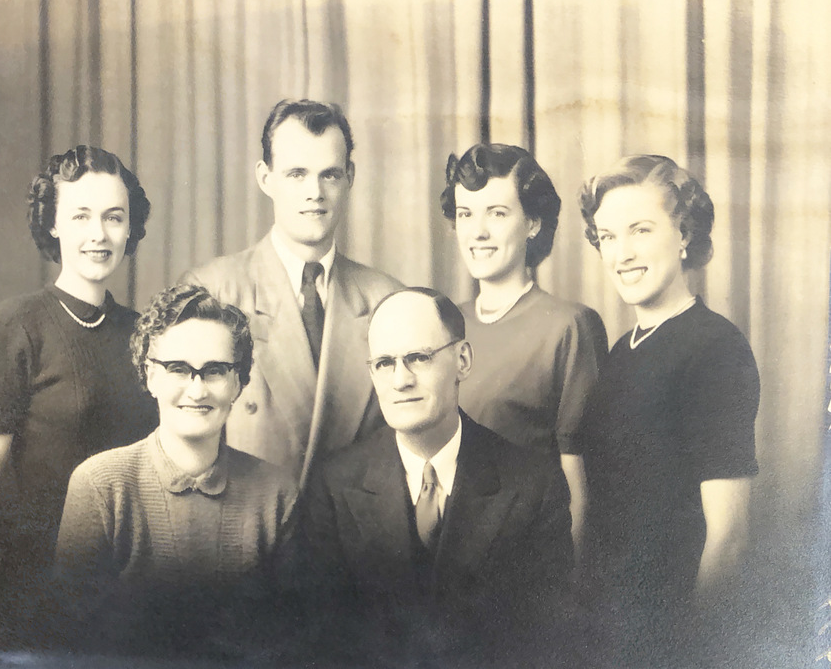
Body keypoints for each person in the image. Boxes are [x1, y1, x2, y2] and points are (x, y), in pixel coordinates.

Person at [303, 288, 574, 667]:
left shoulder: (533, 484)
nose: (401, 380)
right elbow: (321, 642)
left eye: (418, 357)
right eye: (384, 363)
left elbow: (548, 642)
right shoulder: (334, 486)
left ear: (462, 360)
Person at [0, 146, 158, 648]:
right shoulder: (16, 324)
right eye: (81, 216)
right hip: (38, 587)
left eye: (114, 217)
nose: (99, 234)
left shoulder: (145, 334)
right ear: (53, 224)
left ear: (130, 228)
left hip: (133, 584)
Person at [577, 155, 760, 666]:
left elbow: (729, 539)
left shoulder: (715, 347)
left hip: (668, 638)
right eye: (608, 236)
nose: (622, 254)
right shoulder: (622, 349)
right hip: (606, 627)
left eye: (640, 230)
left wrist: (682, 651)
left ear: (684, 235)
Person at [54, 285, 299, 659]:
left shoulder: (277, 493)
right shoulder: (100, 485)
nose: (197, 391)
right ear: (150, 376)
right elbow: (70, 639)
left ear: (238, 382)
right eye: (178, 369)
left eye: (215, 371)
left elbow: (291, 640)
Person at [182, 99, 401, 490]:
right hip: (248, 519)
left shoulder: (388, 301)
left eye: (329, 175)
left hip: (354, 527)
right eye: (297, 174)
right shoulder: (212, 293)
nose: (314, 192)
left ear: (349, 177)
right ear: (265, 178)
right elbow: (185, 450)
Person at [441, 143, 607, 555]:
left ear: (532, 223)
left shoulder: (569, 327)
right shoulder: (442, 324)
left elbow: (581, 490)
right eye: (465, 214)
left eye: (497, 214)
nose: (477, 232)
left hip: (526, 563)